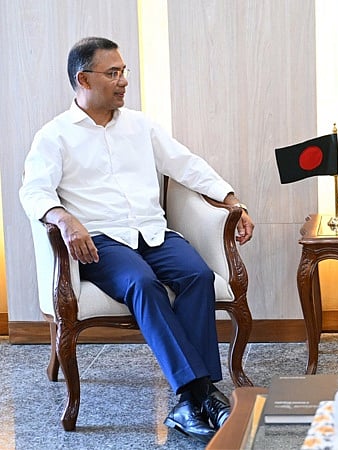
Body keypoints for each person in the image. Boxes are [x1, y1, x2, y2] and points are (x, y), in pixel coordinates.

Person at [18, 36, 255, 444]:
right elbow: (33, 191)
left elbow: (186, 165)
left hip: (153, 232)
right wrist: (64, 218)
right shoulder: (54, 136)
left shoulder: (141, 126)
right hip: (101, 241)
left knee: (198, 276)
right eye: (113, 73)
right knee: (142, 284)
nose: (123, 80)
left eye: (123, 71)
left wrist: (232, 201)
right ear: (84, 79)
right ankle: (199, 394)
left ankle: (191, 401)